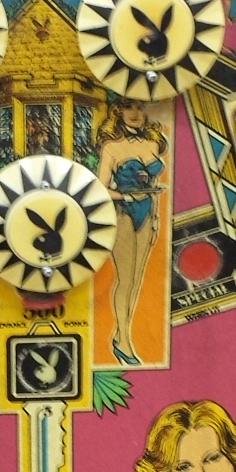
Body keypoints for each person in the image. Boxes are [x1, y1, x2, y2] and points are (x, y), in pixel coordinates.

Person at [95, 100, 167, 365]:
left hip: (146, 215)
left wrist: (156, 219)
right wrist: (126, 196)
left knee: (136, 280)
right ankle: (123, 339)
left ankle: (120, 332)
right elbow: (100, 188)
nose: (135, 114)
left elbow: (154, 186)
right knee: (125, 280)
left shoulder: (152, 145)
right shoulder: (111, 147)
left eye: (139, 108)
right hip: (122, 214)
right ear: (119, 112)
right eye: (128, 108)